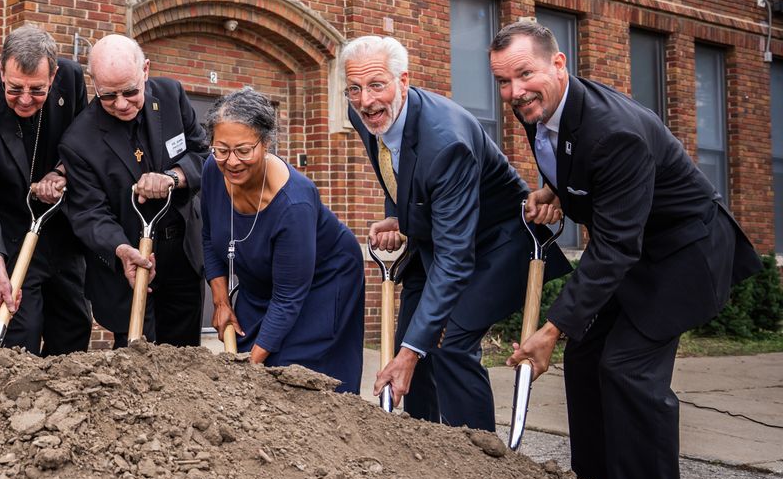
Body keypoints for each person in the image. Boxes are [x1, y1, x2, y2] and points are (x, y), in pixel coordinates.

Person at [491, 21, 761, 479]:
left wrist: (552, 328)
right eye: (503, 82)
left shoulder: (614, 132)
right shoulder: (541, 109)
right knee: (587, 358)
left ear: (558, 64)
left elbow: (614, 246)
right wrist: (556, 191)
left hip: (684, 254)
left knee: (628, 369)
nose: (514, 92)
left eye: (524, 74)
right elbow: (580, 173)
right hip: (637, 251)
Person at [344, 34, 568, 429]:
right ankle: (425, 447)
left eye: (377, 85)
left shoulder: (447, 143)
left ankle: (478, 458)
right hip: (436, 240)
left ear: (404, 81)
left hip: (498, 244)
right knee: (410, 342)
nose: (365, 101)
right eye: (355, 89)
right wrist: (398, 214)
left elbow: (455, 257)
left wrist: (414, 351)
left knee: (448, 344)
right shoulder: (367, 114)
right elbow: (396, 165)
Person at [202, 89, 365, 392]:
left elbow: (289, 297)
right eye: (221, 149)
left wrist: (250, 368)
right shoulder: (213, 170)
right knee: (255, 347)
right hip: (262, 283)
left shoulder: (294, 204)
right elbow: (210, 238)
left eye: (243, 150)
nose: (231, 161)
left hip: (323, 281)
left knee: (292, 372)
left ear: (266, 144)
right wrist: (221, 301)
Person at [60, 34, 208, 346]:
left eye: (130, 91)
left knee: (186, 363)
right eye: (108, 96)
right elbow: (89, 212)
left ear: (146, 71)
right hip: (127, 267)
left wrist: (173, 177)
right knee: (136, 363)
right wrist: (121, 250)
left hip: (181, 255)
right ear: (94, 83)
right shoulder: (78, 141)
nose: (122, 103)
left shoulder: (171, 97)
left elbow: (203, 155)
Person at [0, 25, 91, 355]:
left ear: (54, 74)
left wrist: (61, 172)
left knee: (74, 324)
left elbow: (85, 142)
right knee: (22, 329)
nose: (26, 100)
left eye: (37, 90)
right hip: (13, 233)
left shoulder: (71, 80)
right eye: (15, 89)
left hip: (61, 230)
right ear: (1, 70)